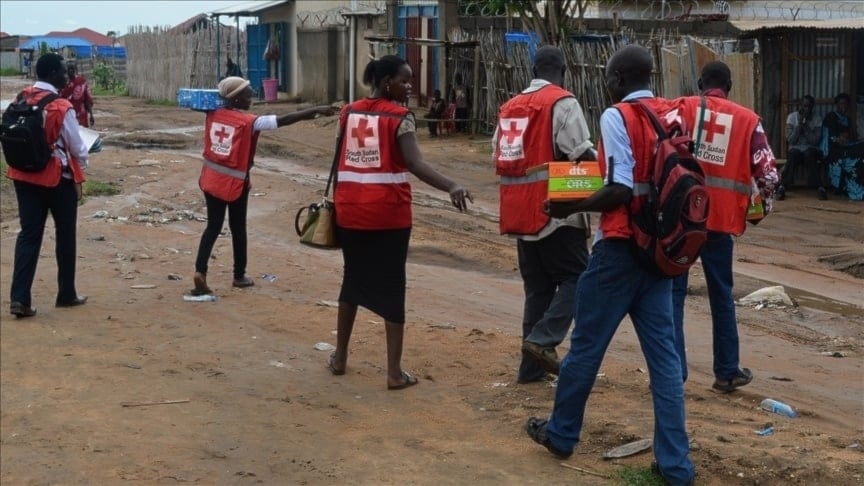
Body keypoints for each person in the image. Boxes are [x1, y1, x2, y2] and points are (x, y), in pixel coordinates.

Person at [524, 45, 695, 486]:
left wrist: (570, 208)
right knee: (665, 363)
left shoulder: (617, 115)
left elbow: (619, 188)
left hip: (619, 248)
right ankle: (676, 466)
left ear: (618, 78)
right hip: (660, 253)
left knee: (585, 348)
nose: (604, 82)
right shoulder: (673, 113)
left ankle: (561, 434)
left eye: (607, 76)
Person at [326, 55, 473, 390]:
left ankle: (339, 358)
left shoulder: (348, 113)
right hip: (388, 215)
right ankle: (393, 373)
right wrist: (451, 184)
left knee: (352, 280)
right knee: (392, 286)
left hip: (350, 211)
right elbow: (414, 162)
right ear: (385, 81)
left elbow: (338, 159)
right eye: (404, 81)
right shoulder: (400, 118)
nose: (409, 88)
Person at [671, 61, 779, 393]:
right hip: (720, 223)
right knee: (721, 295)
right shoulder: (749, 121)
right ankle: (727, 371)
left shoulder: (683, 109)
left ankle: (672, 373)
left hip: (683, 220)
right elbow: (769, 175)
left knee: (673, 296)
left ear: (700, 82)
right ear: (730, 85)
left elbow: (660, 153)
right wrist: (760, 209)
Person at [492, 45, 594, 383]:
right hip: (557, 211)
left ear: (532, 69)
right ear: (563, 70)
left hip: (519, 212)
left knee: (537, 291)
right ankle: (543, 339)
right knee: (580, 278)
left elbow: (499, 154)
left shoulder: (509, 107)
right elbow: (581, 152)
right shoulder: (562, 102)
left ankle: (530, 370)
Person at [191, 77, 335, 295]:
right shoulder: (250, 122)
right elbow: (284, 120)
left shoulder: (212, 114)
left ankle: (200, 271)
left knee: (213, 227)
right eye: (248, 94)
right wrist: (314, 110)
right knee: (238, 229)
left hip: (211, 179)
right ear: (236, 99)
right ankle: (239, 276)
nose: (252, 98)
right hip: (235, 184)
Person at [8, 53, 90, 318]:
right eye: (64, 72)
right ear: (54, 74)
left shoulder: (20, 97)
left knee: (29, 236)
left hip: (22, 175)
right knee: (65, 235)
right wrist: (84, 160)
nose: (67, 76)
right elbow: (78, 148)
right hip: (56, 179)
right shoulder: (60, 106)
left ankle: (19, 298)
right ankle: (66, 293)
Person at [777, 94, 824, 200]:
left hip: (810, 149)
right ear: (800, 106)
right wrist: (799, 125)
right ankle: (783, 187)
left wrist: (806, 126)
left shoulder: (817, 119)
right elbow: (791, 140)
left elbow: (815, 141)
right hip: (796, 149)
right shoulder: (792, 117)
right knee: (792, 155)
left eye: (809, 107)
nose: (806, 109)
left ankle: (819, 187)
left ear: (812, 107)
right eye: (804, 106)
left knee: (810, 155)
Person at [58, 62, 94, 128]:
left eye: (72, 69)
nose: (71, 70)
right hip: (67, 115)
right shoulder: (62, 83)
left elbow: (87, 99)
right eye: (69, 69)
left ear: (76, 70)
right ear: (66, 70)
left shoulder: (81, 81)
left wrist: (91, 115)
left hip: (81, 116)